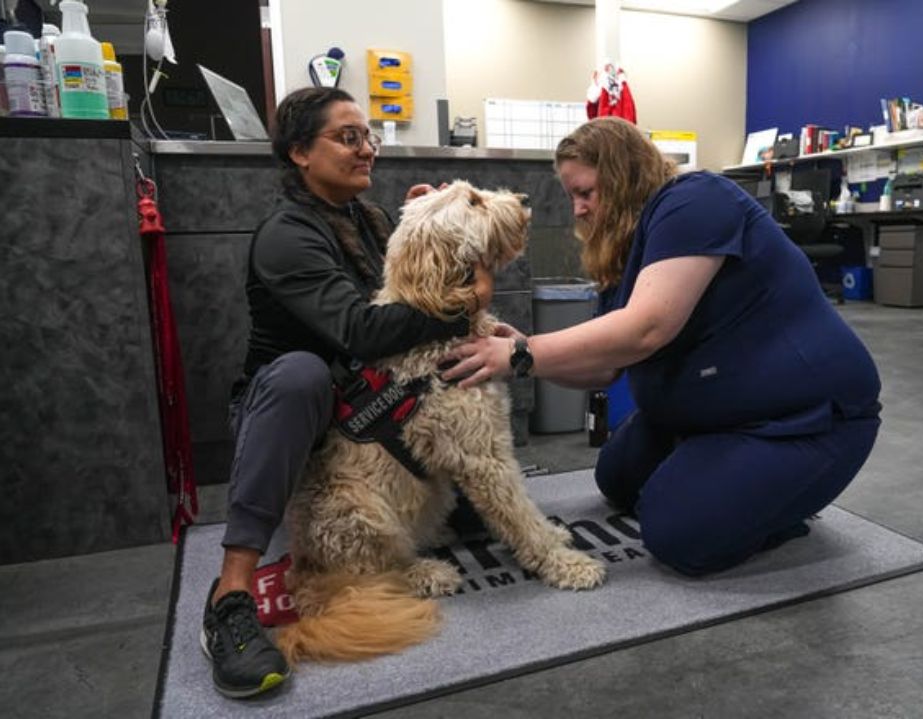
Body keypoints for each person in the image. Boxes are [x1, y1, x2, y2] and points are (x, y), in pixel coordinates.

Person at [442, 117, 881, 578]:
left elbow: (647, 327)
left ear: (624, 176)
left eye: (586, 193)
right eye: (573, 196)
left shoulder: (697, 200)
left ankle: (779, 513)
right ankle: (723, 472)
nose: (578, 210)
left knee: (679, 536)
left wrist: (524, 352)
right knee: (618, 478)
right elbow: (604, 369)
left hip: (803, 419)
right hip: (712, 416)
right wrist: (522, 360)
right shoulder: (628, 246)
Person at [201, 87, 473, 699]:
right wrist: (460, 308)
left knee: (472, 503)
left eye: (368, 136)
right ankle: (232, 594)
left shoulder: (368, 221)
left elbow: (404, 310)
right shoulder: (286, 235)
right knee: (304, 371)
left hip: (364, 409)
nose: (367, 149)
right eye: (348, 137)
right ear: (300, 152)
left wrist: (426, 233)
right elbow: (362, 330)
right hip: (293, 413)